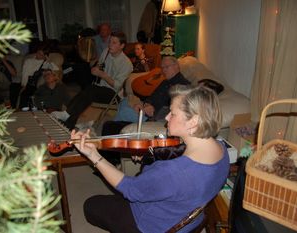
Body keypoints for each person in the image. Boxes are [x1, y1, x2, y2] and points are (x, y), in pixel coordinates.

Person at [71, 85, 230, 233]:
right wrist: (150, 157)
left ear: (193, 122)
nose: (167, 117)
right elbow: (177, 176)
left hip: (152, 224)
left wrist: (94, 156)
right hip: (190, 219)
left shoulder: (173, 172)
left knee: (90, 206)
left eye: (173, 113)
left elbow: (130, 189)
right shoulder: (222, 149)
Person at [51, 31, 133, 130]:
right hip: (100, 88)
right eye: (110, 41)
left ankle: (67, 115)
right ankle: (68, 122)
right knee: (85, 88)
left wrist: (101, 74)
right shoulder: (106, 51)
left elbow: (117, 85)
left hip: (114, 95)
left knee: (90, 91)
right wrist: (96, 68)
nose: (110, 45)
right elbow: (100, 64)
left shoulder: (126, 63)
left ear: (122, 46)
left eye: (114, 43)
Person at [19, 44, 59, 108]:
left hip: (36, 85)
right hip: (27, 83)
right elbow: (25, 74)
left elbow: (56, 69)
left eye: (41, 54)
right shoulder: (29, 61)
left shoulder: (45, 63)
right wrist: (24, 85)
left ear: (45, 56)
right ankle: (23, 111)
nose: (38, 55)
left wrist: (48, 61)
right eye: (38, 53)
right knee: (23, 92)